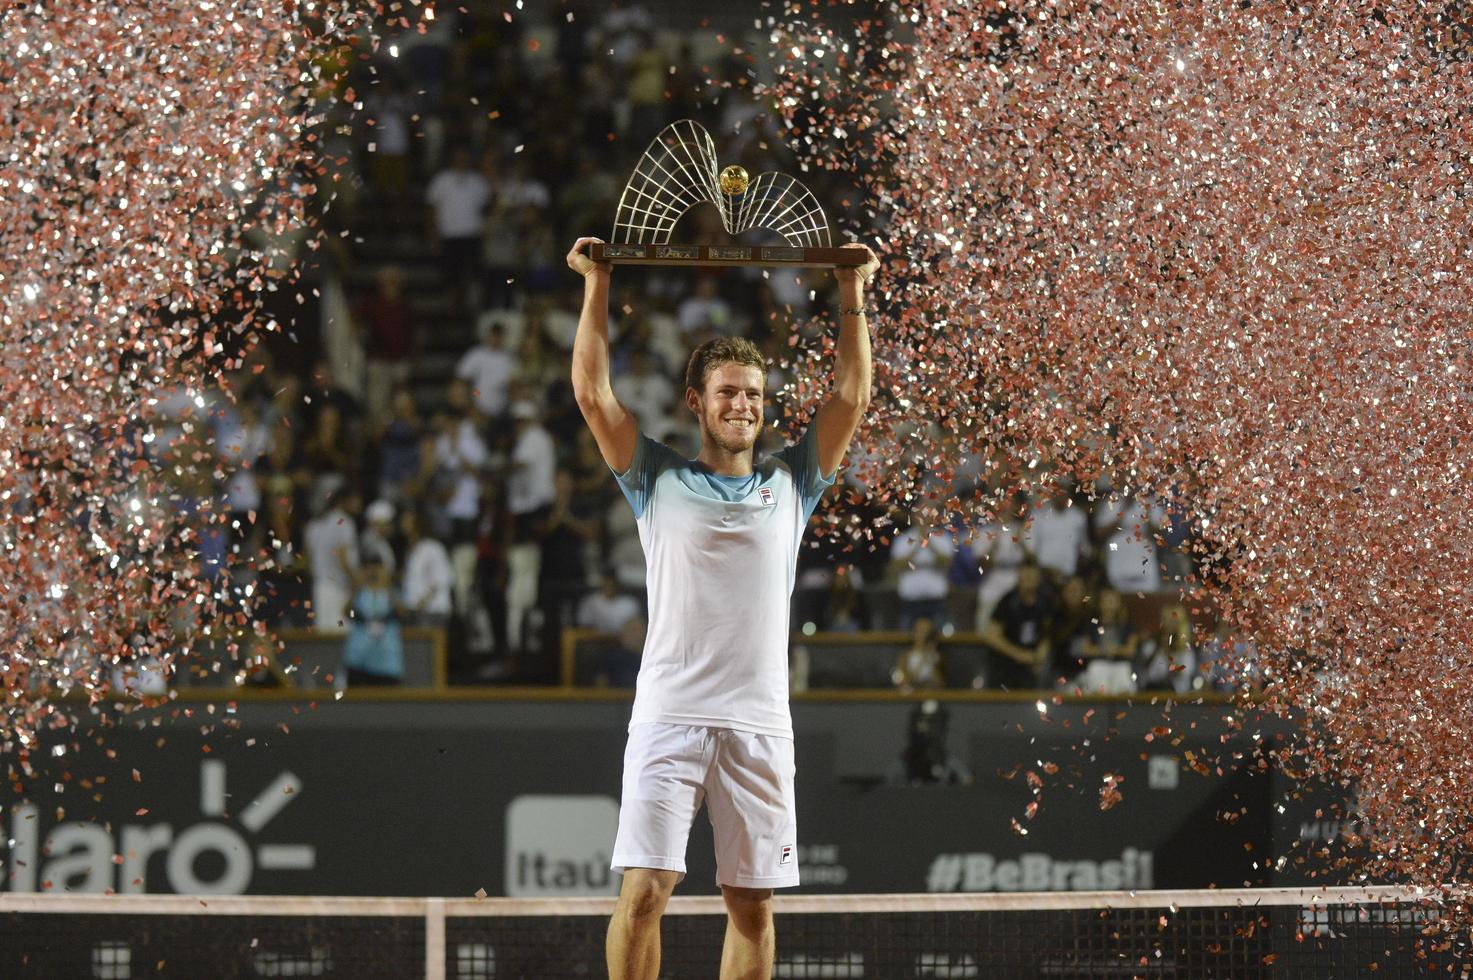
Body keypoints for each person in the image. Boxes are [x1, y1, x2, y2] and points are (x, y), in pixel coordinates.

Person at [566, 235, 878, 980]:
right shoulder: (654, 477)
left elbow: (849, 398)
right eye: (728, 392)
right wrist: (596, 281)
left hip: (761, 720)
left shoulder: (793, 483)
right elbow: (592, 395)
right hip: (670, 712)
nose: (742, 405)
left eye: (753, 395)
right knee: (646, 890)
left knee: (752, 905)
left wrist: (850, 290)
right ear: (696, 402)